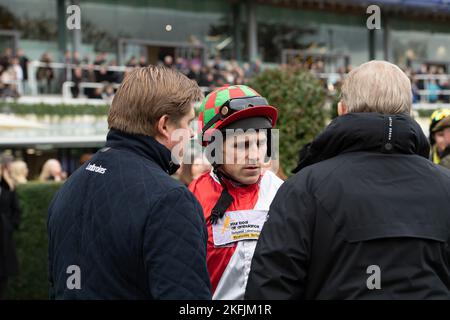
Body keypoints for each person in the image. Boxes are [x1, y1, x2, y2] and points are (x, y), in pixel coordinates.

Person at [246, 60, 450, 300]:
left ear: (342, 110)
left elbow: (271, 288)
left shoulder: (304, 188)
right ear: (409, 112)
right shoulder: (445, 185)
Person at [47, 65, 211, 299]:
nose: (192, 134)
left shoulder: (72, 183)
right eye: (188, 123)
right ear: (164, 125)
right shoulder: (170, 200)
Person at [189, 85, 283, 300]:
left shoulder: (282, 192)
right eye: (242, 145)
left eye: (260, 143)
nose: (254, 155)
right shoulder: (193, 196)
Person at [0, 156, 21, 299]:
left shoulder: (9, 187)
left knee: (3, 279)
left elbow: (16, 210)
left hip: (4, 239)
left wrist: (9, 225)